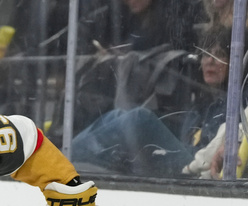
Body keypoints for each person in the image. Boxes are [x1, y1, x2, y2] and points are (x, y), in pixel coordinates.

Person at [70, 25, 243, 177]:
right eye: (205, 55)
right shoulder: (201, 104)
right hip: (182, 158)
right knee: (119, 114)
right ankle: (69, 153)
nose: (210, 61)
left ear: (234, 63)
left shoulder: (236, 104)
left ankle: (69, 156)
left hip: (195, 167)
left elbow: (206, 152)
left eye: (219, 55)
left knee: (139, 118)